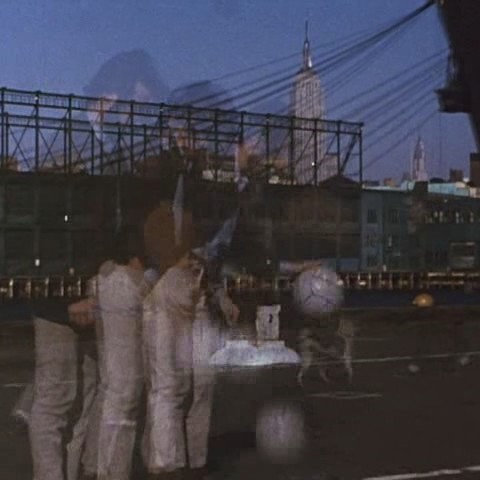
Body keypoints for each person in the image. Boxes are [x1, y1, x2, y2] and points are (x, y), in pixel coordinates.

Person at [142, 248, 239, 480]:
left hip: (200, 309)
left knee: (203, 385)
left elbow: (210, 270)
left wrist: (222, 298)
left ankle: (196, 462)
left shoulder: (208, 240)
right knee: (170, 389)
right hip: (167, 307)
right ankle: (168, 463)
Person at [28, 279, 99, 480]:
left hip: (81, 303)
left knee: (85, 402)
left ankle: (69, 474)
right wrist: (65, 303)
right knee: (54, 401)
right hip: (59, 306)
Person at [95, 231, 152, 480]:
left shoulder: (102, 278)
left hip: (110, 361)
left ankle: (104, 472)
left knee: (110, 421)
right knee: (127, 425)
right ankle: (118, 474)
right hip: (132, 365)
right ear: (135, 257)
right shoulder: (138, 282)